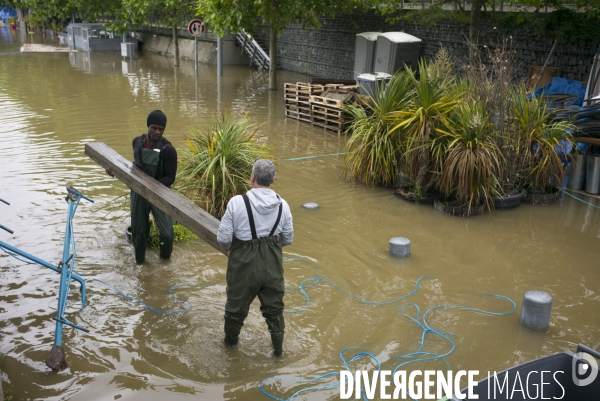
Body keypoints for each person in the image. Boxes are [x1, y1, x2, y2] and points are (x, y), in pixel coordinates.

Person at [217, 159, 293, 356]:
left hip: (243, 263)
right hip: (272, 263)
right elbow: (288, 239)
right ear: (273, 180)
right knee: (274, 310)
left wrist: (231, 248)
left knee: (235, 308)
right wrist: (270, 246)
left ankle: (230, 350)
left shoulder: (237, 202)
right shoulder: (283, 205)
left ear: (252, 178)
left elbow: (223, 238)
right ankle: (278, 353)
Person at [106, 110, 177, 264]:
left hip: (160, 193)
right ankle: (140, 264)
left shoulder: (168, 150)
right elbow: (134, 168)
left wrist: (151, 187)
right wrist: (115, 172)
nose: (157, 132)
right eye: (154, 128)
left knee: (167, 234)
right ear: (148, 126)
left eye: (161, 129)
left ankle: (165, 262)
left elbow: (171, 178)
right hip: (138, 193)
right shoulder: (137, 142)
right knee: (139, 232)